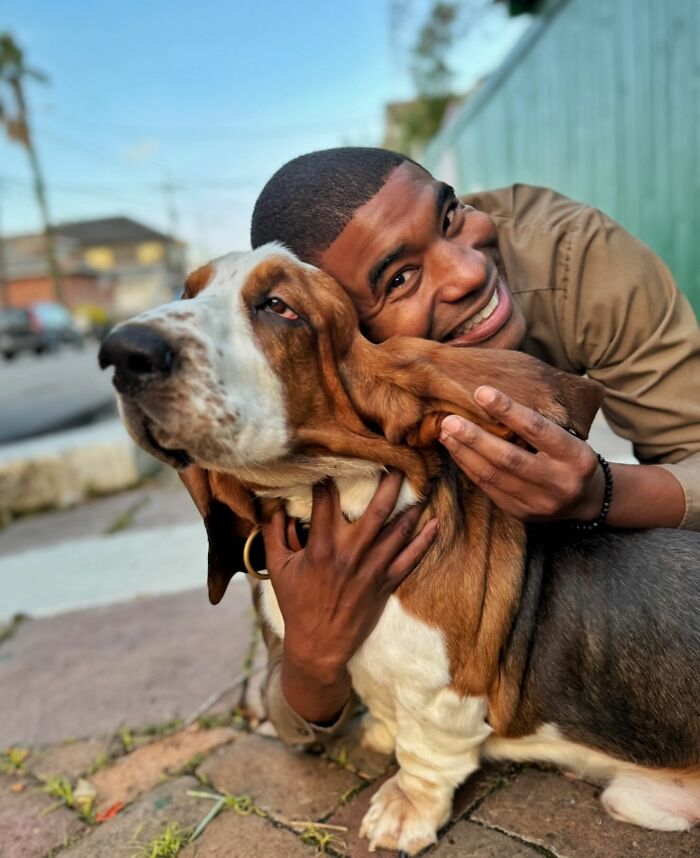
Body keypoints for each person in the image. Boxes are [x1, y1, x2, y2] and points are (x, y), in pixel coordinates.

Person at [248, 146, 700, 746]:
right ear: (344, 342)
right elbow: (299, 724)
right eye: (399, 279)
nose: (469, 271)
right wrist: (312, 655)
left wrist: (603, 493)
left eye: (449, 216)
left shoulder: (575, 260)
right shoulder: (315, 400)